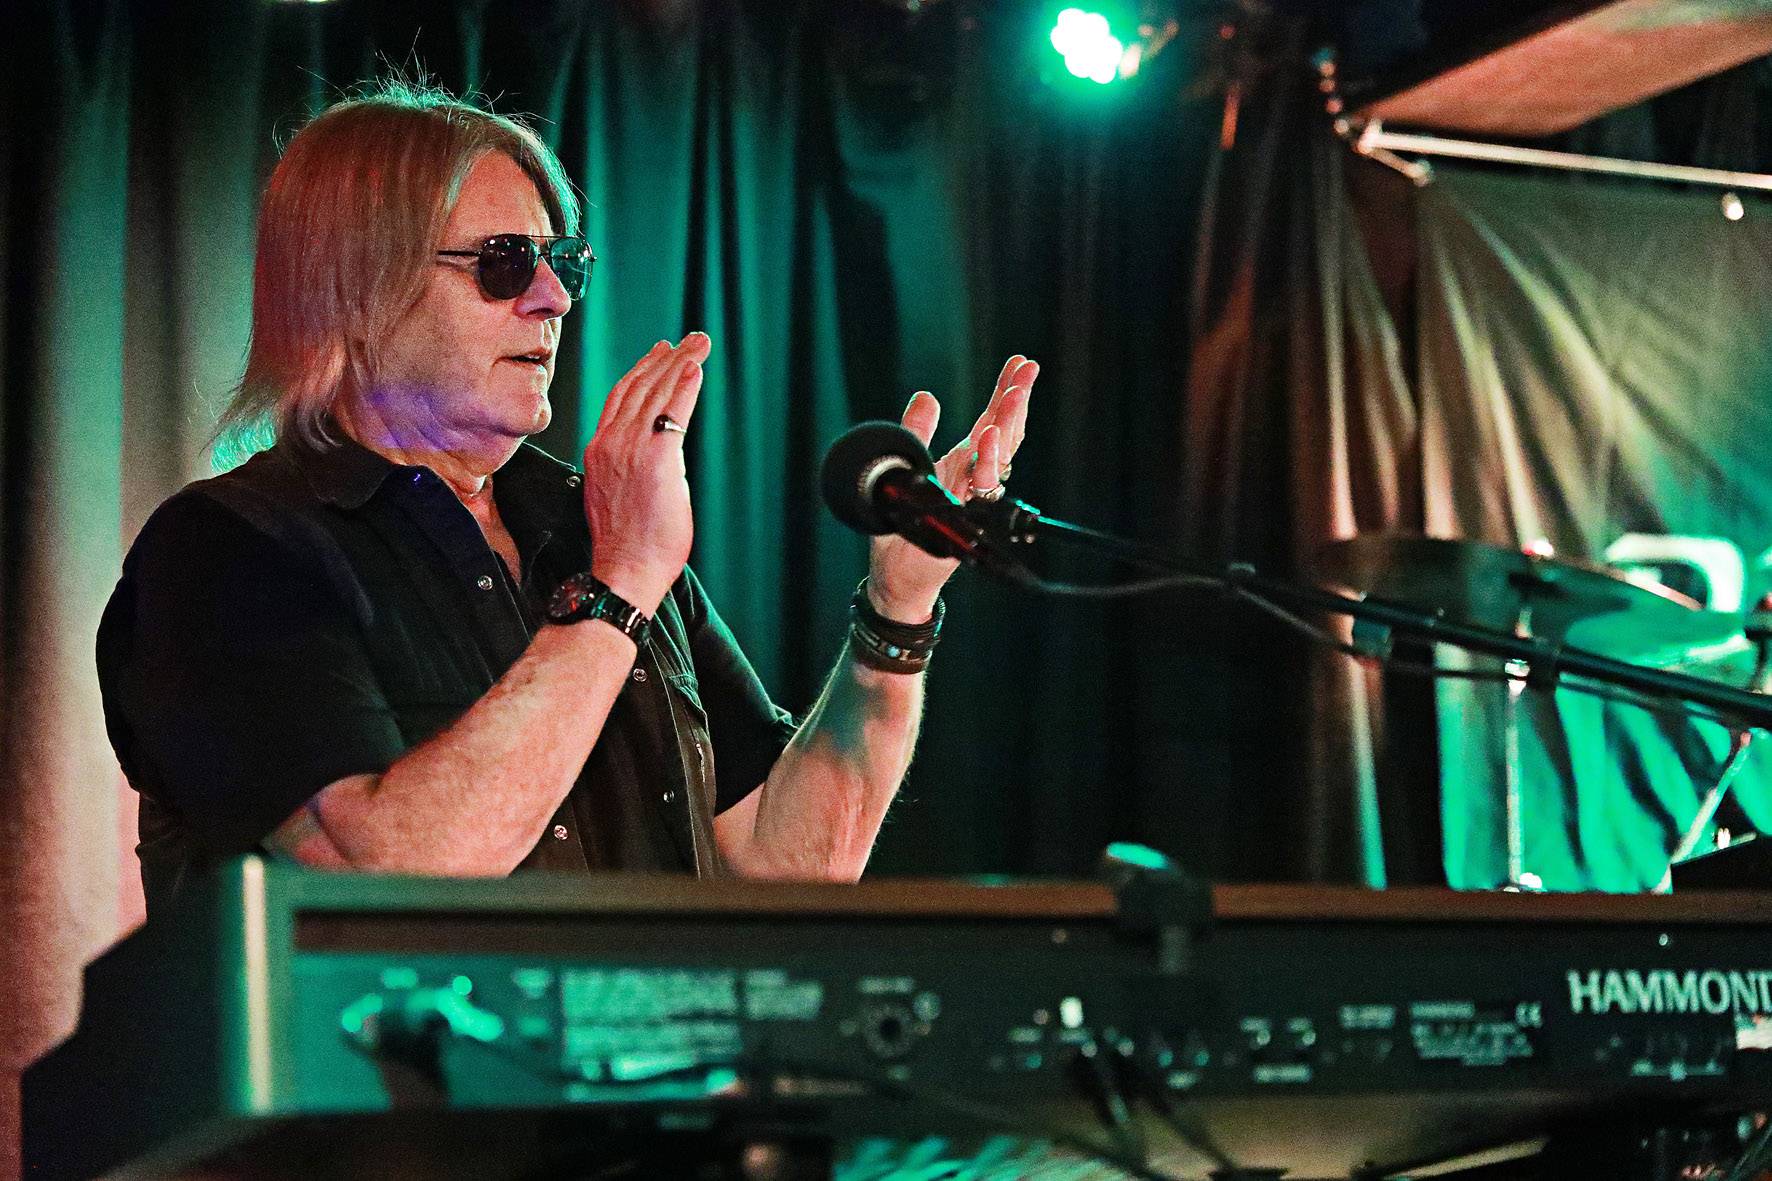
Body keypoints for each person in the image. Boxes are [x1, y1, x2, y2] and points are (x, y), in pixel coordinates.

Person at [95, 80, 1037, 914]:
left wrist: (897, 612)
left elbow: (790, 865)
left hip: (646, 1062)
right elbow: (389, 871)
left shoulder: (592, 527)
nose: (553, 296)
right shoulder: (228, 549)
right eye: (505, 260)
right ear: (357, 288)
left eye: (564, 263)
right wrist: (618, 589)